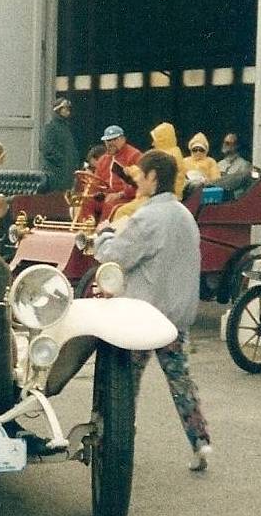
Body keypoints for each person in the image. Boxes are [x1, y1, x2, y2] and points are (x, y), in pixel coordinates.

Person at [94, 149, 212, 471]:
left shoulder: (147, 218)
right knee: (181, 382)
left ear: (153, 177)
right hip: (176, 318)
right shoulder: (186, 215)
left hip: (143, 318)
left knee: (125, 387)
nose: (137, 180)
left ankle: (119, 446)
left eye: (141, 175)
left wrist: (101, 233)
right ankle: (200, 444)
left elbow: (114, 255)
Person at [90, 125, 142, 221]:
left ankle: (103, 233)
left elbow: (140, 184)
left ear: (123, 139)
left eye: (114, 140)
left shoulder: (134, 155)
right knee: (86, 202)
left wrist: (120, 194)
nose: (111, 143)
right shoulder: (103, 159)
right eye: (108, 140)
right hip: (107, 196)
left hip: (128, 198)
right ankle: (82, 230)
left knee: (110, 205)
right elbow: (96, 183)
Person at [39, 97, 81, 192]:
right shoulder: (50, 127)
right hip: (55, 176)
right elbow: (46, 149)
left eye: (68, 108)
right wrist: (63, 161)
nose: (68, 110)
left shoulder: (67, 129)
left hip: (67, 175)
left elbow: (71, 150)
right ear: (58, 110)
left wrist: (73, 162)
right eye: (65, 108)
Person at [149, 122, 188, 198]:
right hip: (168, 197)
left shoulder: (165, 158)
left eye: (155, 140)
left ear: (163, 140)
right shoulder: (174, 152)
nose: (153, 144)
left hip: (164, 198)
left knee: (124, 210)